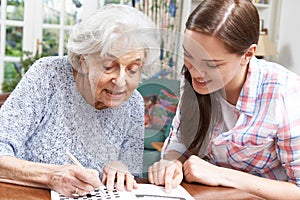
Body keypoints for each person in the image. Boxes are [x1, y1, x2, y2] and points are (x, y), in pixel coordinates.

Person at [0, 4, 160, 198]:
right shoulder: (48, 75)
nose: (120, 82)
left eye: (133, 69)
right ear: (83, 60)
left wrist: (120, 169)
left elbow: (130, 172)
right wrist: (51, 176)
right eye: (109, 66)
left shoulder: (133, 104)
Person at [148, 0, 300, 199]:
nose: (196, 72)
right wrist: (172, 163)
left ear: (248, 54)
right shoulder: (192, 80)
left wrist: (222, 175)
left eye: (212, 64)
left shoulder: (284, 94)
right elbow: (180, 141)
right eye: (188, 56)